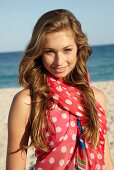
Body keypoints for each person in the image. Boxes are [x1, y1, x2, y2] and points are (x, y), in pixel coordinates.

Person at [6, 9, 114, 170]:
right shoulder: (27, 101)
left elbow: (105, 157)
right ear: (39, 53)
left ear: (78, 48)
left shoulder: (95, 97)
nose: (59, 61)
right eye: (49, 51)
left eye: (67, 50)